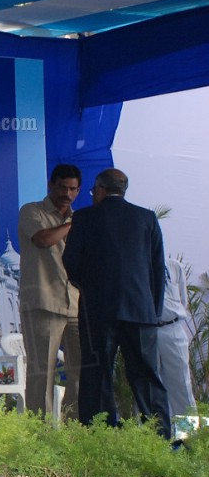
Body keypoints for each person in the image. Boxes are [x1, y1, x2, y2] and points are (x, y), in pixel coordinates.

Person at [63, 168, 169, 439]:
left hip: (98, 311)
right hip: (141, 311)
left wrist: (89, 289)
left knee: (97, 374)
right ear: (123, 191)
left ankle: (100, 438)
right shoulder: (146, 218)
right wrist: (152, 311)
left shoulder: (85, 218)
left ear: (99, 190)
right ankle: (159, 439)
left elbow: (71, 263)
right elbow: (158, 269)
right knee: (146, 376)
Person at [17, 164, 82, 418]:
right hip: (43, 302)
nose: (67, 193)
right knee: (42, 372)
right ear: (51, 185)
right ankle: (40, 437)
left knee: (82, 371)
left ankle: (74, 430)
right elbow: (42, 240)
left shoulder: (79, 221)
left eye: (73, 189)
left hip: (76, 304)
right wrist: (72, 225)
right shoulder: (32, 211)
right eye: (63, 187)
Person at [157, 256, 197, 420]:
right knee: (149, 387)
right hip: (146, 331)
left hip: (172, 328)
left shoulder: (174, 266)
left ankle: (189, 438)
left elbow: (182, 301)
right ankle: (154, 438)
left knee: (182, 384)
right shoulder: (136, 265)